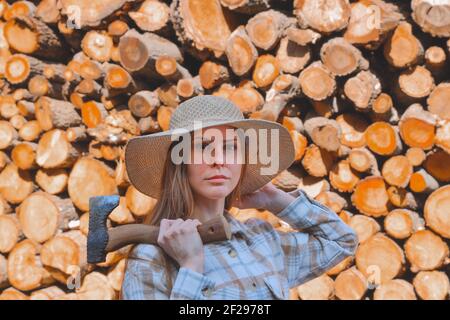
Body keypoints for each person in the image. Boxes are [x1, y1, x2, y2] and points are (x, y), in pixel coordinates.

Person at [120, 95, 358, 299]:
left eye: (231, 147)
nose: (219, 160)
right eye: (203, 146)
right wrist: (191, 268)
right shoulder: (151, 259)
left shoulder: (262, 239)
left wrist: (276, 200)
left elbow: (341, 241)